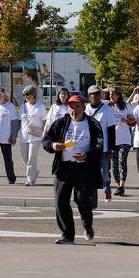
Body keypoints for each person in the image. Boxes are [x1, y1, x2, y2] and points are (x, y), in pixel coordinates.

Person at [42, 94, 103, 245]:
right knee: (61, 201)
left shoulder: (93, 124)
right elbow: (46, 140)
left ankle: (87, 225)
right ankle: (68, 235)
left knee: (82, 199)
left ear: (83, 107)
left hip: (84, 168)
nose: (74, 110)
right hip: (64, 167)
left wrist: (87, 156)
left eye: (77, 107)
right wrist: (53, 146)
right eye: (71, 107)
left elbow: (99, 146)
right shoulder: (61, 122)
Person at [107, 86, 133, 197]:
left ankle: (122, 185)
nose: (111, 96)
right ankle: (118, 186)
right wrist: (106, 89)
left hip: (124, 139)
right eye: (110, 94)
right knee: (114, 164)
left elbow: (133, 120)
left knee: (122, 160)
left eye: (113, 94)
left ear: (118, 95)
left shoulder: (126, 106)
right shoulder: (107, 106)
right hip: (112, 140)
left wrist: (127, 120)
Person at [19, 86, 47, 186]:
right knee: (24, 156)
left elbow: (45, 122)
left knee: (31, 158)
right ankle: (34, 172)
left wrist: (45, 134)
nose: (26, 96)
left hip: (36, 136)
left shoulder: (41, 106)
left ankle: (30, 179)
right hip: (24, 136)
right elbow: (20, 121)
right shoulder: (23, 106)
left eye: (28, 94)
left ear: (33, 94)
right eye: (24, 95)